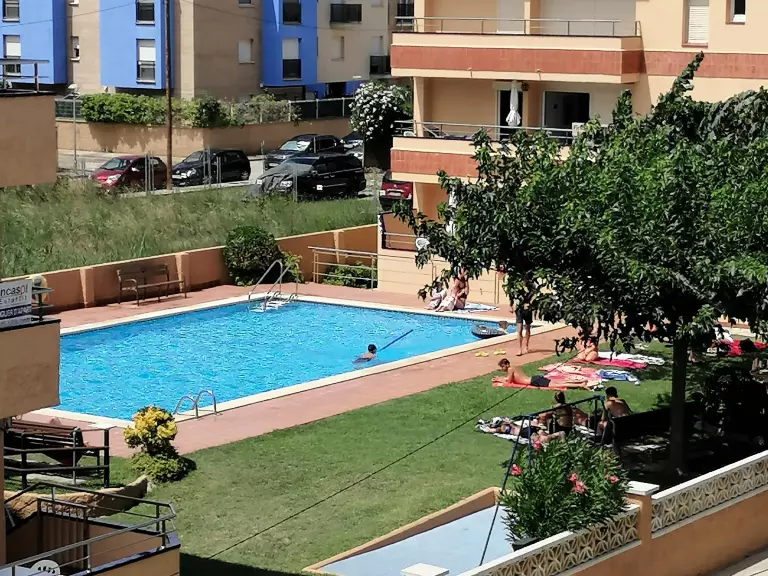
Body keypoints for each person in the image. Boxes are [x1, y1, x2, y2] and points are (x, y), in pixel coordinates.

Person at [493, 358, 592, 390]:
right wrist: (502, 378)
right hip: (535, 378)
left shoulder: (510, 369)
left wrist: (499, 379)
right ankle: (580, 382)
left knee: (559, 384)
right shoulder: (514, 367)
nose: (502, 369)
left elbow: (509, 381)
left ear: (507, 364)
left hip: (534, 381)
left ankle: (580, 385)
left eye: (502, 366)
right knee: (559, 382)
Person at [513, 281, 534, 356]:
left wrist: (530, 305)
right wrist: (512, 305)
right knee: (519, 329)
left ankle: (526, 346)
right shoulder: (517, 286)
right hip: (519, 309)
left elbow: (534, 297)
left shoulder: (531, 286)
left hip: (528, 309)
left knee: (527, 328)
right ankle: (520, 349)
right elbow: (512, 296)